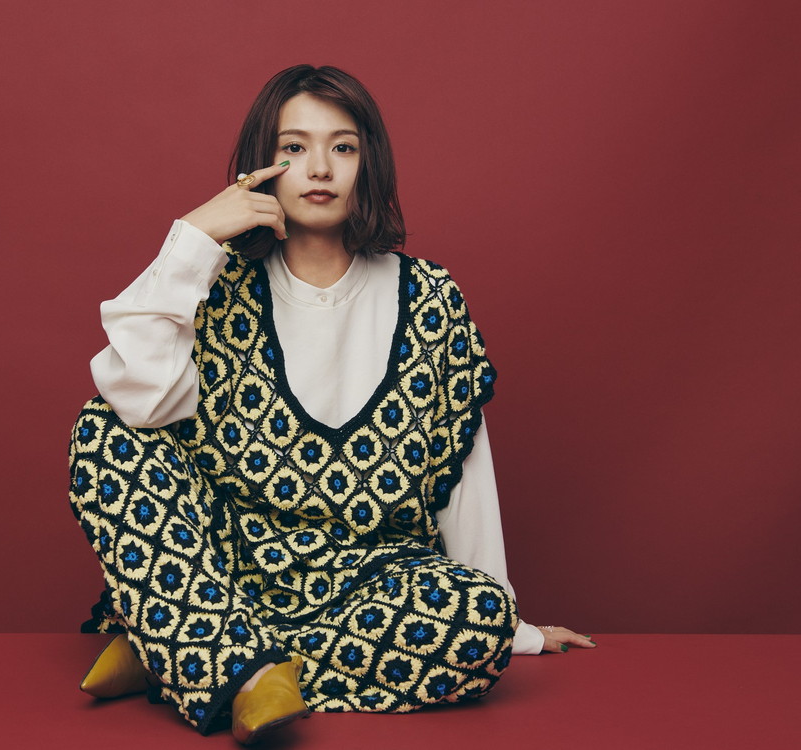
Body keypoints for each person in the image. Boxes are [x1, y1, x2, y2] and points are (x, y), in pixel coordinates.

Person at [67, 64, 594, 744]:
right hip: (226, 571)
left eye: (342, 147)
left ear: (370, 163)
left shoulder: (431, 298)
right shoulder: (215, 290)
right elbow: (134, 395)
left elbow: (463, 470)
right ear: (260, 165)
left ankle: (185, 655)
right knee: (104, 428)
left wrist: (508, 627)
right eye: (294, 147)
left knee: (480, 619)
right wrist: (192, 239)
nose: (319, 168)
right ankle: (220, 654)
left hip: (368, 581)